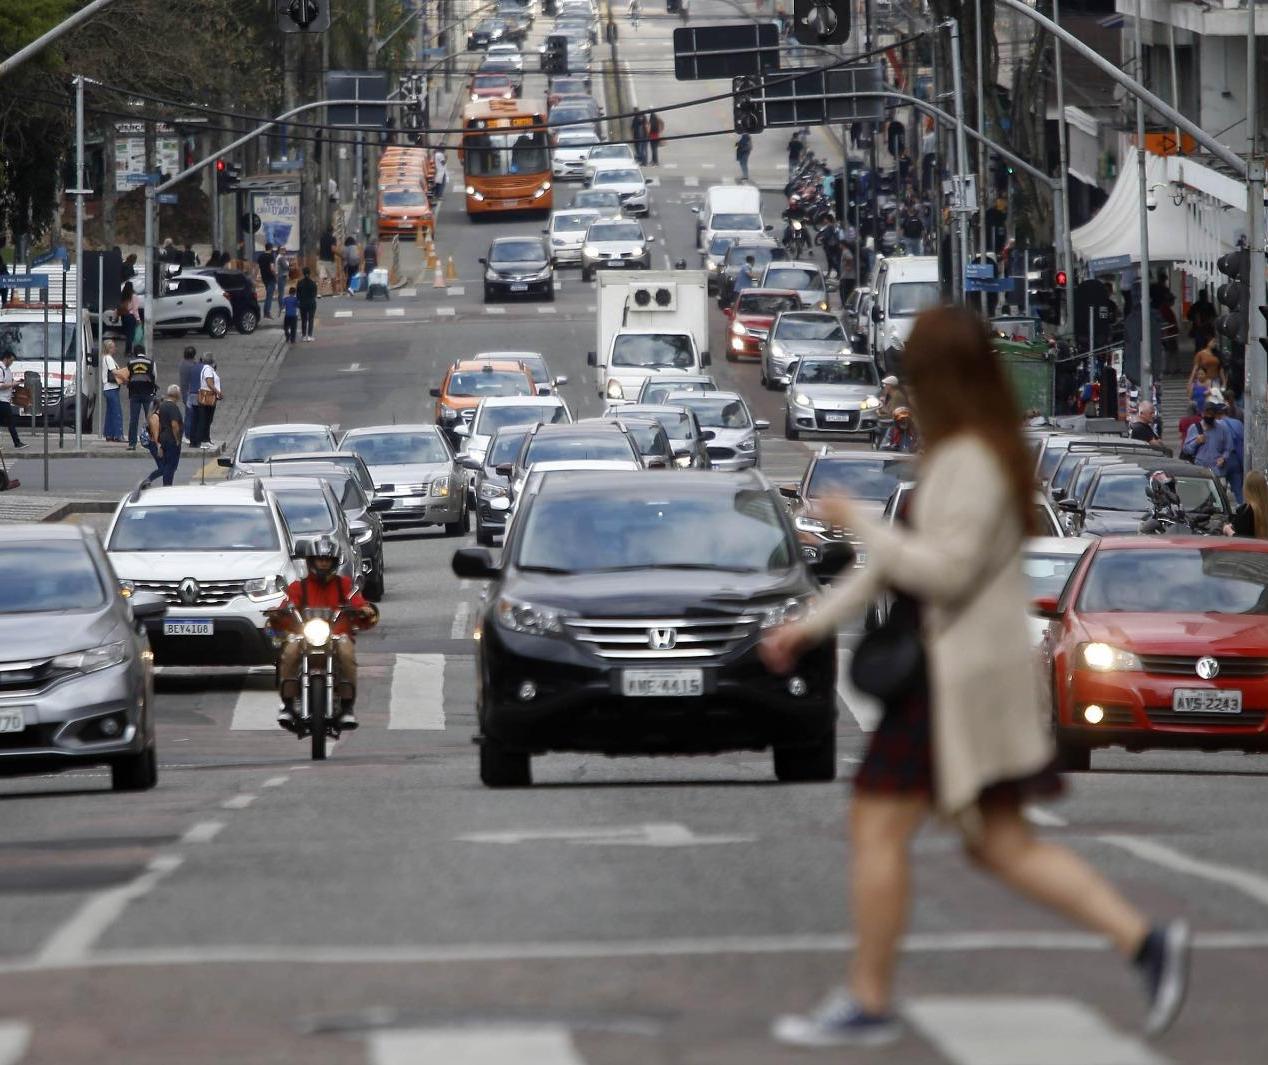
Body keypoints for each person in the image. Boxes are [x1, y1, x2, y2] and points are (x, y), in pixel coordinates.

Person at [763, 305, 1191, 1048]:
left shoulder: (970, 460)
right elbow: (898, 561)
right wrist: (809, 622)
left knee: (878, 823)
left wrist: (858, 523)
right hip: (963, 671)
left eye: (914, 378)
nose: (906, 393)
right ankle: (1144, 941)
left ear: (940, 381)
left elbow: (941, 570)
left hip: (948, 676)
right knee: (999, 843)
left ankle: (868, 996)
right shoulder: (976, 452)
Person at [270, 536, 379, 731]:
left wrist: (363, 609)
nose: (323, 563)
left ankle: (347, 708)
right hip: (304, 636)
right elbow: (287, 604)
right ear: (311, 561)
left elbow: (357, 601)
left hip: (336, 636)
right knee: (289, 652)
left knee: (347, 653)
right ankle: (287, 705)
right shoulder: (298, 586)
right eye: (319, 559)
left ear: (334, 562)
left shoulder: (344, 585)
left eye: (327, 560)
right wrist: (279, 611)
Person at [1182, 399, 1232, 474]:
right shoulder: (1194, 428)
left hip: (1216, 469)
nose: (1209, 416)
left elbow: (1228, 448)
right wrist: (1196, 442)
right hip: (1199, 469)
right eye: (1207, 413)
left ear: (1215, 415)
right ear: (1203, 413)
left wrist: (1223, 458)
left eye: (1212, 414)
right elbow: (1186, 450)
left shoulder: (1223, 428)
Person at [151, 384, 184, 487]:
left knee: (166, 465)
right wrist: (177, 439)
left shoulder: (163, 405)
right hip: (171, 440)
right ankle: (167, 486)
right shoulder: (172, 407)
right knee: (171, 466)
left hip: (164, 438)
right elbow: (174, 424)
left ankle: (159, 482)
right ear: (177, 395)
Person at [125, 345, 156, 450]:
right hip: (148, 392)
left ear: (135, 352)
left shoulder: (130, 363)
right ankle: (152, 441)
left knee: (134, 419)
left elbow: (127, 377)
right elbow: (154, 376)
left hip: (134, 393)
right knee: (151, 418)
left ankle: (132, 443)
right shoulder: (151, 362)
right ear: (144, 352)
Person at [1225, 470, 1268, 537]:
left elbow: (1241, 541)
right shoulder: (1263, 510)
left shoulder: (1246, 511)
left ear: (1246, 488)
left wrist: (1228, 530)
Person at [1216, 401, 1245, 503]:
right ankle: (1243, 511)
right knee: (1239, 491)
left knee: (1218, 491)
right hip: (1235, 459)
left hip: (1220, 460)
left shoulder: (1217, 425)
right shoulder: (1237, 423)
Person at [192, 353, 222, 448]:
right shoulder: (208, 370)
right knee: (205, 419)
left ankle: (206, 438)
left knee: (207, 419)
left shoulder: (207, 369)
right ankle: (202, 440)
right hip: (208, 397)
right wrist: (218, 392)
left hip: (208, 397)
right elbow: (209, 383)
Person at [0, 351, 26, 450]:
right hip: (1, 400)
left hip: (6, 400)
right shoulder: (0, 369)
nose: (11, 363)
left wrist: (18, 382)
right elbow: (1, 385)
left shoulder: (8, 370)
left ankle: (17, 442)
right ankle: (17, 442)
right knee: (10, 422)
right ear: (5, 359)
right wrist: (12, 385)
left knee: (9, 422)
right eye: (11, 360)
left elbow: (10, 381)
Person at [100, 339, 124, 442]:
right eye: (113, 347)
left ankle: (109, 433)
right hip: (111, 387)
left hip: (107, 388)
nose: (115, 349)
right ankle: (118, 434)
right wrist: (125, 376)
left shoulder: (104, 358)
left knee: (110, 412)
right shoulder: (109, 358)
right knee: (116, 412)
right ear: (109, 348)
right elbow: (114, 372)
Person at [179, 345, 201, 442]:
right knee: (190, 415)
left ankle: (188, 433)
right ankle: (188, 434)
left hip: (184, 391)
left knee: (188, 413)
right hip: (191, 392)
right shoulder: (193, 365)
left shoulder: (182, 364)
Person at [815, 214, 843, 279]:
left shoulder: (829, 227)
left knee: (832, 260)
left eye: (825, 219)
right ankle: (831, 273)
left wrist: (822, 238)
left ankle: (839, 273)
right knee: (833, 260)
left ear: (828, 220)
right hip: (838, 245)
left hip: (831, 246)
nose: (824, 220)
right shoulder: (836, 226)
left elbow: (827, 235)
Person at [118, 282, 141, 355]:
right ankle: (129, 351)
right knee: (131, 335)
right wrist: (138, 319)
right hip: (131, 316)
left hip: (124, 316)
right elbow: (135, 309)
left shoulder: (123, 296)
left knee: (128, 334)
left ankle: (127, 350)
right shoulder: (134, 296)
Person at [297, 267, 319, 342]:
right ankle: (309, 335)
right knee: (311, 319)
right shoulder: (313, 283)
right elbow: (315, 294)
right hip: (311, 303)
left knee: (304, 320)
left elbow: (298, 295)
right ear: (310, 273)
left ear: (303, 273)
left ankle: (303, 335)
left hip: (302, 304)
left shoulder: (299, 283)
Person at [256, 243, 277, 319]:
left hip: (264, 278)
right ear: (270, 248)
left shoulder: (260, 256)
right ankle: (267, 312)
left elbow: (257, 267)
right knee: (269, 296)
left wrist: (256, 277)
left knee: (268, 295)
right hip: (271, 278)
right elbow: (272, 268)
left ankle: (266, 312)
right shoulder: (270, 256)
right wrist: (275, 275)